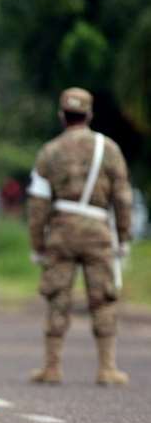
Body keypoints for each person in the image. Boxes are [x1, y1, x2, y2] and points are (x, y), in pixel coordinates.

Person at [27, 87, 132, 386]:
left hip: (61, 232)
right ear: (89, 115)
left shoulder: (49, 152)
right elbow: (122, 197)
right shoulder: (108, 149)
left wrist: (37, 244)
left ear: (62, 116)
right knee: (103, 300)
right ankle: (107, 368)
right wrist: (123, 237)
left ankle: (52, 367)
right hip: (98, 231)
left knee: (58, 297)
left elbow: (37, 204)